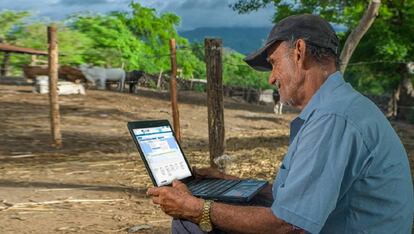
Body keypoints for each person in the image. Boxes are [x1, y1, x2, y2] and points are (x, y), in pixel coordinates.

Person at [147, 14, 414, 233]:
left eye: (274, 64)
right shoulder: (339, 107)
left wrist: (196, 208)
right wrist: (230, 183)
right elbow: (301, 199)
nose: (271, 79)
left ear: (299, 52)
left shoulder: (333, 119)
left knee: (189, 225)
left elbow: (289, 224)